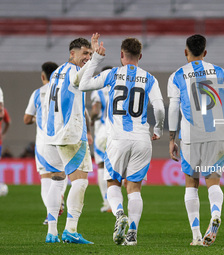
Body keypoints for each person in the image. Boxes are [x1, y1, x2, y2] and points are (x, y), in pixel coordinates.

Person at [79, 37, 165, 246]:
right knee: (134, 187)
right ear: (140, 56)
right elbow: (160, 108)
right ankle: (133, 233)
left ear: (121, 55)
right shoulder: (149, 78)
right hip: (142, 139)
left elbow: (83, 85)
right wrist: (159, 129)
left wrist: (97, 59)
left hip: (117, 139)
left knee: (113, 183)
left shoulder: (112, 74)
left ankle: (119, 214)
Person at [168, 34, 224, 246]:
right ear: (205, 52)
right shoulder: (220, 72)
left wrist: (171, 138)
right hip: (217, 134)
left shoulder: (177, 76)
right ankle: (216, 214)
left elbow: (173, 108)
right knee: (213, 181)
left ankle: (196, 235)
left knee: (191, 183)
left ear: (185, 51)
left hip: (191, 135)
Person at [42, 34, 100, 244]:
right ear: (72, 53)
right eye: (84, 53)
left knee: (58, 181)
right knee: (80, 182)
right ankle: (71, 230)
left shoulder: (57, 72)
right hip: (71, 133)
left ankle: (52, 231)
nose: (87, 57)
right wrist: (98, 60)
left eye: (90, 54)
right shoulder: (74, 71)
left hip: (54, 133)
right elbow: (83, 79)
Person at [24, 61, 68, 225]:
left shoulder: (38, 93)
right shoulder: (63, 91)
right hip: (62, 140)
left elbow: (26, 119)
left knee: (45, 178)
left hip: (43, 142)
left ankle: (51, 215)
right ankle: (60, 199)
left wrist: (37, 118)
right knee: (61, 176)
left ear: (43, 76)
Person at [90, 66, 111, 213]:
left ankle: (107, 202)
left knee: (102, 165)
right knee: (116, 165)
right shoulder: (121, 87)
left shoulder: (98, 91)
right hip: (118, 131)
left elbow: (96, 109)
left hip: (103, 130)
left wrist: (90, 119)